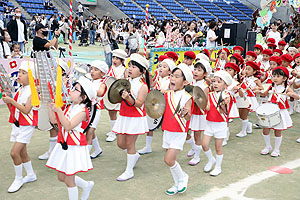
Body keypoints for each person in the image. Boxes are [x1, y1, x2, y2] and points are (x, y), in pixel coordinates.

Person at [46, 76, 96, 200]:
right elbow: (54, 121)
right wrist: (50, 107)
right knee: (61, 177)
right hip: (64, 143)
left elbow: (68, 126)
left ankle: (83, 189)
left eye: (76, 89)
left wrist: (58, 110)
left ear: (83, 97)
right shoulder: (70, 107)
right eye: (73, 87)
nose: (72, 90)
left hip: (74, 146)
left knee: (69, 180)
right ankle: (86, 185)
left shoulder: (84, 111)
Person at [112, 53, 150, 181]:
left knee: (129, 143)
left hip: (135, 117)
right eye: (129, 66)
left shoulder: (143, 86)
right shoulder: (125, 82)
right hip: (123, 116)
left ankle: (129, 171)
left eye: (134, 67)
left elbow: (139, 104)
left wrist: (128, 97)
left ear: (142, 71)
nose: (130, 69)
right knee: (120, 144)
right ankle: (134, 156)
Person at [3, 61, 38, 193]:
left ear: (32, 77)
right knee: (22, 152)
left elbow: (26, 110)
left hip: (26, 125)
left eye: (24, 73)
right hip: (18, 124)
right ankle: (30, 175)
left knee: (14, 153)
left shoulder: (34, 92)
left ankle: (18, 179)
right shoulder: (21, 89)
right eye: (19, 72)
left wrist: (11, 101)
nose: (19, 75)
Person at [162, 64, 193, 195]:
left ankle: (183, 177)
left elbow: (188, 117)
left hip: (179, 131)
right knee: (171, 161)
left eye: (177, 76)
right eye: (172, 76)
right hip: (167, 130)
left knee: (168, 160)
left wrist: (185, 112)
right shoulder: (167, 95)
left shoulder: (187, 97)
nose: (173, 78)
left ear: (185, 82)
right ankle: (176, 184)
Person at [138, 58, 176, 155]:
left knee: (165, 127)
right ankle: (148, 146)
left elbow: (172, 91)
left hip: (166, 106)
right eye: (160, 66)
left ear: (170, 71)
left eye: (164, 67)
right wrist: (150, 77)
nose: (161, 68)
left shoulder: (170, 80)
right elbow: (151, 85)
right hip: (155, 105)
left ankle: (169, 144)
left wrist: (165, 91)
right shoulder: (158, 78)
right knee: (150, 125)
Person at [260, 67, 299, 156]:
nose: (275, 78)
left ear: (284, 78)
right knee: (265, 129)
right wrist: (260, 91)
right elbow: (264, 94)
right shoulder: (271, 86)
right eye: (274, 76)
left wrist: (292, 94)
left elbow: (297, 97)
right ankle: (268, 146)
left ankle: (276, 150)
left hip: (280, 111)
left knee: (277, 131)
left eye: (278, 76)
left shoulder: (286, 88)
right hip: (269, 110)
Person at [202, 70, 233, 176]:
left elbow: (224, 112)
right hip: (209, 123)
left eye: (219, 82)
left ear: (225, 84)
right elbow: (208, 108)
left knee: (218, 147)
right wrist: (199, 101)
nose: (215, 83)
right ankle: (211, 160)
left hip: (220, 125)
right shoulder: (210, 95)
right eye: (214, 81)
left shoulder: (227, 96)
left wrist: (224, 104)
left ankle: (218, 167)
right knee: (204, 144)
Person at [187, 60, 210, 165]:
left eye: (199, 70)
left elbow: (205, 104)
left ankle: (197, 156)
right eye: (195, 69)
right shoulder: (192, 82)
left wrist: (196, 100)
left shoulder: (205, 87)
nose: (195, 72)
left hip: (199, 113)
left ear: (205, 74)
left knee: (197, 135)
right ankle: (193, 147)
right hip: (190, 112)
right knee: (185, 131)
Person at [236, 61, 263, 137]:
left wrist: (257, 88)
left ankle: (243, 131)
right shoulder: (243, 78)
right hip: (243, 97)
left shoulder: (255, 80)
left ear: (254, 71)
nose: (246, 71)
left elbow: (262, 88)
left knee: (244, 115)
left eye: (249, 69)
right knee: (241, 115)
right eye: (246, 69)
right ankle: (249, 126)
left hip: (250, 98)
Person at [106, 49, 128, 142]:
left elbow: (127, 81)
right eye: (113, 58)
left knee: (116, 112)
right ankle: (113, 129)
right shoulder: (111, 68)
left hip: (119, 95)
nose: (114, 60)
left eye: (117, 59)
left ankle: (115, 131)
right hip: (110, 94)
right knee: (111, 112)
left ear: (122, 60)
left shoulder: (124, 70)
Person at [87, 60, 108, 159]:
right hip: (88, 109)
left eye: (96, 69)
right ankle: (98, 149)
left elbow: (100, 92)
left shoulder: (102, 83)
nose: (92, 71)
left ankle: (85, 154)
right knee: (90, 130)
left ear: (102, 73)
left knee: (90, 131)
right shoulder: (91, 81)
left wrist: (89, 89)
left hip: (96, 110)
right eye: (91, 69)